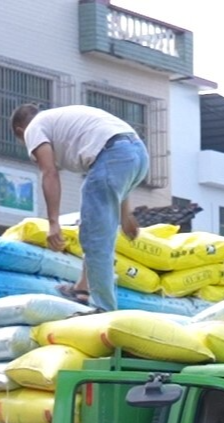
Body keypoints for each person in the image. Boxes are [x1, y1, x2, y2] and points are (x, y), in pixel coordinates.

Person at [10, 103, 150, 311]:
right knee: (95, 227)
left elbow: (49, 173)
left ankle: (103, 310)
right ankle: (82, 288)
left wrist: (54, 223)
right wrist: (125, 214)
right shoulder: (55, 120)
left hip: (115, 155)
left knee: (95, 238)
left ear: (20, 131)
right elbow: (118, 158)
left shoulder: (34, 129)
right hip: (138, 154)